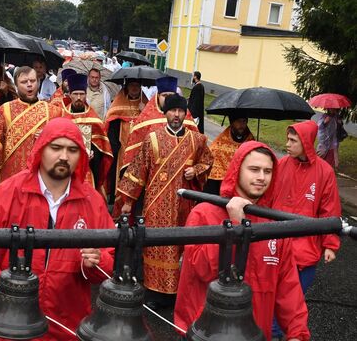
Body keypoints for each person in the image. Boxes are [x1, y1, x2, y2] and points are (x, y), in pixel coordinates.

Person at [0, 117, 115, 341]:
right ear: (41, 149)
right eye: (56, 148)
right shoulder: (8, 193)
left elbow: (108, 258)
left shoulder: (93, 202)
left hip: (67, 326)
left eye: (72, 150)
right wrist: (6, 288)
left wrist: (98, 262)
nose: (64, 156)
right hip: (11, 325)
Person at [174, 141, 310, 341]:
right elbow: (201, 270)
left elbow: (289, 291)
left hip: (254, 335)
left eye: (268, 171)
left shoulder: (274, 226)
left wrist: (297, 334)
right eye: (254, 169)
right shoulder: (203, 213)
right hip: (204, 335)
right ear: (237, 170)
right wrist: (235, 225)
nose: (261, 177)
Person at [118, 94, 212, 307]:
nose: (176, 115)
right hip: (156, 204)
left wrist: (195, 170)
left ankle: (176, 293)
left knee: (179, 247)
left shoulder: (197, 140)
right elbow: (138, 170)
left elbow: (207, 161)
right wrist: (128, 201)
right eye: (172, 111)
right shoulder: (152, 138)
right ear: (165, 113)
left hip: (184, 206)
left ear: (185, 113)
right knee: (156, 247)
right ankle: (154, 293)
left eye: (180, 111)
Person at [271, 120, 341, 339]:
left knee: (291, 304)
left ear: (306, 142)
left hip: (304, 253)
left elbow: (329, 210)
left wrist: (330, 244)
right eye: (288, 139)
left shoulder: (325, 172)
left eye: (293, 140)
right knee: (269, 299)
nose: (287, 144)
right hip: (275, 246)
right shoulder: (281, 164)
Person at [0, 66, 63, 182]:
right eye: (24, 82)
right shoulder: (5, 110)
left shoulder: (53, 111)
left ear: (38, 82)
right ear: (16, 85)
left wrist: (48, 139)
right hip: (11, 176)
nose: (29, 85)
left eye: (33, 81)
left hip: (42, 175)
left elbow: (64, 140)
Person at [120, 76, 198, 183]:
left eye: (170, 95)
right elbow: (136, 150)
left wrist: (194, 169)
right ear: (157, 96)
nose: (167, 98)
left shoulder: (186, 119)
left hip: (179, 175)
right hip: (151, 175)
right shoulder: (146, 118)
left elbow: (198, 149)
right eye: (164, 95)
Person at [61, 73, 113, 195]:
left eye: (82, 94)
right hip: (65, 167)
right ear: (69, 95)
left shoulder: (94, 119)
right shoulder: (62, 116)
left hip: (88, 169)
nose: (79, 97)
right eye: (75, 94)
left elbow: (102, 147)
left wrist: (93, 154)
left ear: (86, 95)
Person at [104, 78, 148, 204]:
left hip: (140, 151)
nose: (134, 88)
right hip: (121, 150)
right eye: (131, 85)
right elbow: (111, 124)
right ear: (126, 87)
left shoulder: (145, 106)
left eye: (137, 85)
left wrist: (144, 111)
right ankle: (117, 200)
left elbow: (153, 126)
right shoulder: (118, 105)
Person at [203, 112, 254, 195]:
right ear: (232, 122)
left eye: (244, 121)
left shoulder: (251, 142)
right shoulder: (219, 145)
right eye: (238, 121)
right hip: (220, 187)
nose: (242, 125)